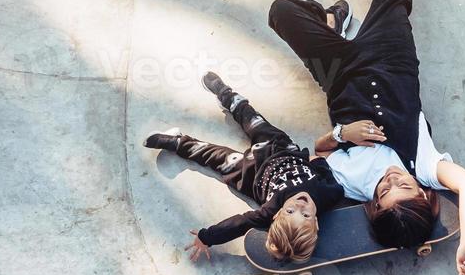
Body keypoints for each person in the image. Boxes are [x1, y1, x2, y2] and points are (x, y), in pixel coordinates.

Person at [267, 0, 465, 275]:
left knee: (281, 11)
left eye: (384, 193)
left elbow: (318, 151)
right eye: (404, 188)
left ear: (374, 204)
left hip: (340, 74)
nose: (392, 181)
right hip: (392, 59)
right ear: (423, 194)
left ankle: (331, 21)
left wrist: (340, 135)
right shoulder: (425, 166)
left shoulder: (353, 183)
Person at [143, 72, 344, 263]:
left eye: (291, 212)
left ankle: (178, 142)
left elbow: (240, 224)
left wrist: (207, 237)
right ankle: (226, 94)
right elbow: (328, 175)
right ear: (316, 223)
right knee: (252, 119)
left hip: (252, 174)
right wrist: (316, 161)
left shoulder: (269, 211)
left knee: (215, 156)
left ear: (276, 215)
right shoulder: (330, 195)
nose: (300, 206)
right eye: (305, 214)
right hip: (281, 148)